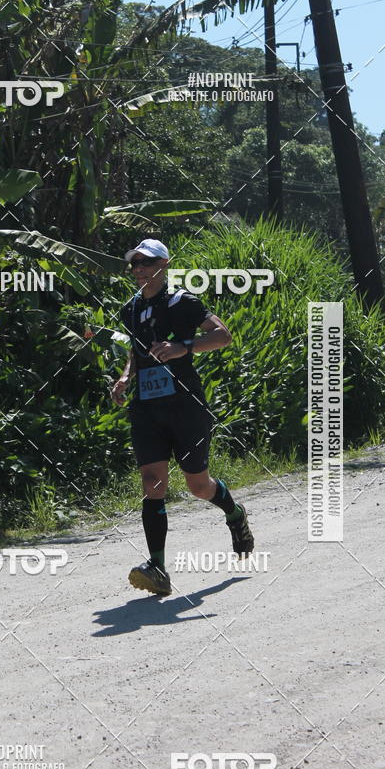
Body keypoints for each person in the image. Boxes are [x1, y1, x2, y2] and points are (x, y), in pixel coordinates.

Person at [111, 238, 254, 596]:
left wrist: (182, 348)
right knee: (152, 482)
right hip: (146, 407)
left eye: (145, 262)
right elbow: (136, 350)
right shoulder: (130, 309)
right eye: (134, 264)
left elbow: (222, 336)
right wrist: (127, 377)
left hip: (184, 406)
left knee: (197, 486)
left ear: (164, 265)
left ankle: (235, 515)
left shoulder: (182, 302)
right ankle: (157, 568)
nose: (138, 269)